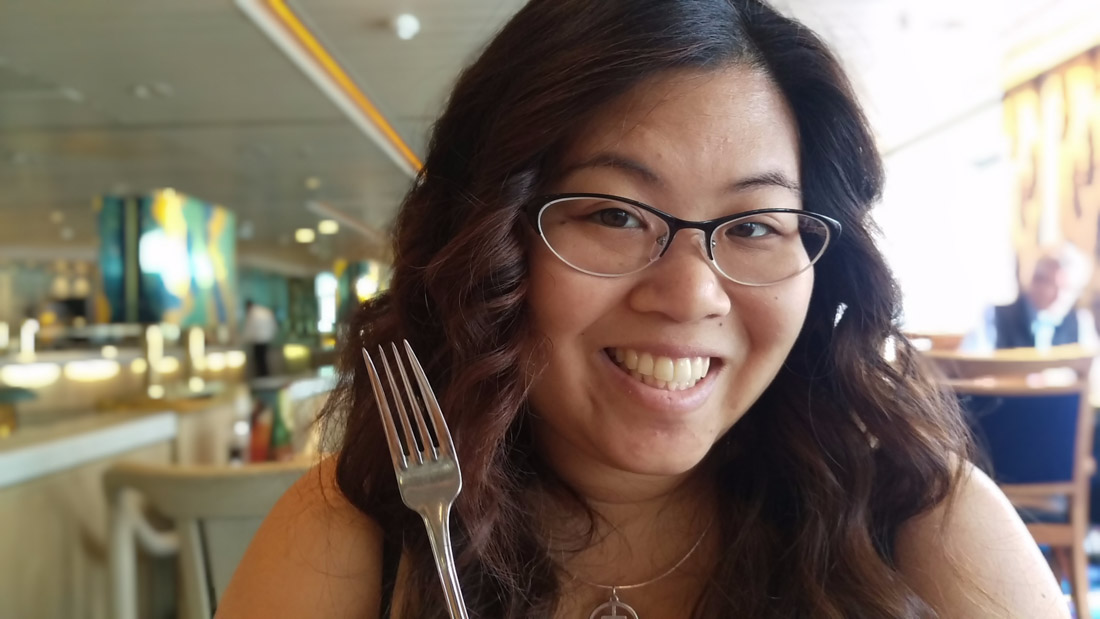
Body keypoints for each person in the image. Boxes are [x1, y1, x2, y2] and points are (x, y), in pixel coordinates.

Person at [219, 1, 1066, 617]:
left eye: (755, 226)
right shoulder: (364, 535)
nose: (693, 292)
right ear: (489, 244)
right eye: (614, 215)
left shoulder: (922, 522)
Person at [960, 244, 1098, 352]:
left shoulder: (1081, 322)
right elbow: (972, 365)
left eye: (1069, 289)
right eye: (1053, 286)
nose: (1059, 297)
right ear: (1035, 281)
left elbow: (1094, 369)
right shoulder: (994, 316)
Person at [242, 299, 277, 377]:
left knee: (260, 361)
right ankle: (265, 377)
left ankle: (263, 377)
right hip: (267, 340)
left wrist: (243, 340)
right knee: (264, 360)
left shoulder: (253, 313)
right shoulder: (264, 311)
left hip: (258, 341)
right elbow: (273, 326)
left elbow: (249, 329)